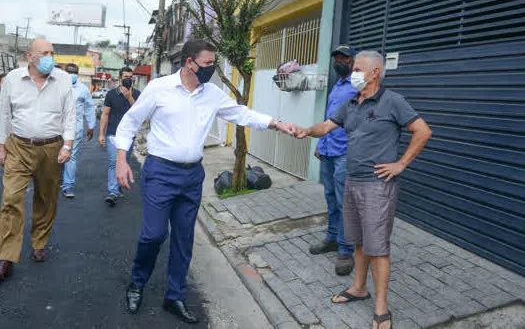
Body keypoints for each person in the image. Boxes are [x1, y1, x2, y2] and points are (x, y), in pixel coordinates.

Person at [114, 40, 296, 323]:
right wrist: (122, 159)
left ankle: (175, 296)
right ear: (189, 62)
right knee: (154, 234)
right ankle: (137, 283)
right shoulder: (159, 88)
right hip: (160, 173)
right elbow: (130, 122)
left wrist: (275, 123)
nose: (212, 69)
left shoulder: (211, 93)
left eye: (213, 63)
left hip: (191, 175)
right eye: (208, 64)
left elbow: (241, 113)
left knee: (184, 238)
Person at [296, 51, 432, 329]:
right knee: (358, 241)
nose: (352, 71)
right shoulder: (350, 104)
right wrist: (305, 131)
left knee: (378, 248)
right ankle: (359, 288)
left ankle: (381, 308)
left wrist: (400, 164)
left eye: (357, 68)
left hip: (377, 186)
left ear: (375, 72)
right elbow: (326, 126)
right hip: (353, 182)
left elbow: (423, 131)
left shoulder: (392, 101)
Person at [0, 39, 75, 281]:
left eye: (51, 53)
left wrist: (67, 144)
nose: (49, 57)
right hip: (19, 146)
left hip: (51, 148)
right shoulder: (12, 79)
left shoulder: (62, 79)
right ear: (30, 56)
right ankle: (7, 256)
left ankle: (39, 241)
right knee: (11, 198)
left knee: (46, 197)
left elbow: (69, 113)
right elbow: (4, 113)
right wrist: (1, 145)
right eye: (44, 53)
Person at [310, 44, 357, 276]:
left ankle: (346, 249)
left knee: (344, 201)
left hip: (345, 152)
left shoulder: (359, 85)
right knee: (330, 197)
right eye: (336, 57)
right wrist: (321, 142)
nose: (339, 61)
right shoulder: (337, 85)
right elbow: (330, 118)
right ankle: (332, 238)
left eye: (344, 58)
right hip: (328, 149)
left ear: (353, 61)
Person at [98, 67, 140, 206]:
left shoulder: (137, 94)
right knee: (113, 162)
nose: (129, 79)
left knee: (123, 162)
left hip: (128, 137)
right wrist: (101, 134)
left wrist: (129, 98)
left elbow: (140, 114)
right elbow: (105, 114)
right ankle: (112, 192)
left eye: (131, 76)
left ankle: (118, 185)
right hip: (112, 134)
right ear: (120, 78)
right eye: (126, 76)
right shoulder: (111, 94)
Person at [61, 63, 96, 198]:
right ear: (65, 72)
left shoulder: (83, 89)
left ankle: (68, 186)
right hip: (56, 129)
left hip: (75, 129)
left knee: (71, 156)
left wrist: (91, 126)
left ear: (78, 73)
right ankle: (57, 180)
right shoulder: (56, 87)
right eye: (70, 71)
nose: (72, 74)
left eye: (74, 71)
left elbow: (89, 107)